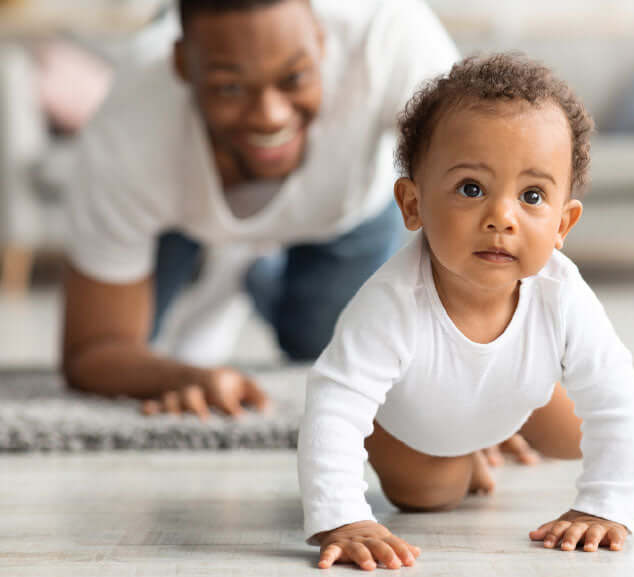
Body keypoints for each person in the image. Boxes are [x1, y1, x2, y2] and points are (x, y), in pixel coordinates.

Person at [298, 53, 634, 571]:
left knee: (577, 437)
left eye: (532, 195)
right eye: (471, 189)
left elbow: (617, 399)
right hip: (415, 427)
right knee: (430, 492)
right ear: (413, 204)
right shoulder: (391, 303)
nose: (501, 218)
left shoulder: (562, 292)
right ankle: (467, 454)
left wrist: (605, 507)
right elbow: (335, 405)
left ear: (563, 224)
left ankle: (497, 424)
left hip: (508, 393)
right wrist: (343, 518)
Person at [60, 0, 459, 418]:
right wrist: (185, 378)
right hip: (181, 216)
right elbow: (94, 350)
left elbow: (480, 191)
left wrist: (466, 414)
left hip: (343, 212)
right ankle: (226, 254)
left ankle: (254, 273)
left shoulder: (390, 35)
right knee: (143, 348)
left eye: (294, 78)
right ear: (182, 65)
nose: (270, 117)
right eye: (229, 87)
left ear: (322, 42)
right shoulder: (129, 128)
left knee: (321, 346)